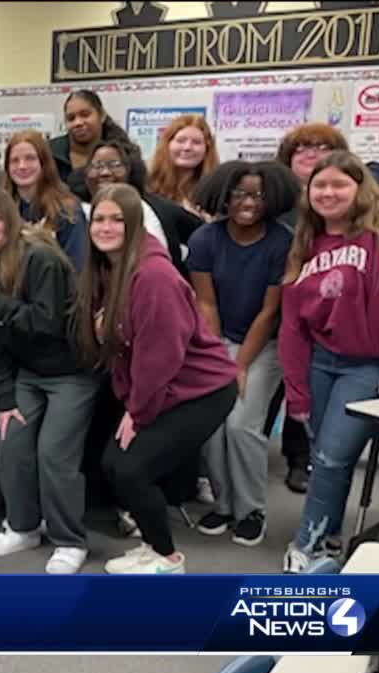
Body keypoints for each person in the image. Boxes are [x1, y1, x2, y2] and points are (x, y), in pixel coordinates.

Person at [75, 184, 238, 574]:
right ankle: (153, 545)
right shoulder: (110, 268)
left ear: (134, 224)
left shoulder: (153, 275)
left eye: (117, 219)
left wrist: (138, 411)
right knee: (115, 464)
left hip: (202, 389)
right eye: (99, 219)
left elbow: (159, 357)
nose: (106, 227)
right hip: (167, 386)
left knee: (131, 468)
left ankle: (167, 559)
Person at [279, 151, 379, 573]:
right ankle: (326, 536)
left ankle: (308, 543)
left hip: (366, 366)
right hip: (321, 362)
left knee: (331, 458)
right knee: (326, 455)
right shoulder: (305, 244)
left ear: (360, 189)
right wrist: (296, 391)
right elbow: (292, 325)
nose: (327, 192)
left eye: (339, 184)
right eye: (319, 185)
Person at [0, 188, 98, 574]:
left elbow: (45, 324)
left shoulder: (40, 257)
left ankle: (70, 540)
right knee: (13, 446)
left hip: (71, 372)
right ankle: (23, 526)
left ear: (10, 219)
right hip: (28, 372)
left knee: (55, 454)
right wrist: (5, 396)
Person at [185, 161, 300, 547]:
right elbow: (206, 304)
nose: (249, 202)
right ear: (223, 195)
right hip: (216, 341)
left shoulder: (282, 241)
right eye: (240, 193)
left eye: (258, 195)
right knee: (213, 425)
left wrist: (240, 366)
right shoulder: (204, 239)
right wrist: (220, 362)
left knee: (241, 425)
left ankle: (252, 509)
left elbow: (270, 313)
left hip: (265, 345)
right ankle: (224, 504)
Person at [267, 123, 347, 494]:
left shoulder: (340, 203)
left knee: (305, 389)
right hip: (269, 308)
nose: (311, 153)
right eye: (302, 148)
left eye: (321, 147)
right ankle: (253, 453)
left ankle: (300, 460)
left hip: (317, 313)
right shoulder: (273, 200)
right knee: (265, 392)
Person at [80, 140, 201, 277]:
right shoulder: (74, 212)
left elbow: (203, 238)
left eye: (115, 165)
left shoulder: (158, 209)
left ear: (131, 170)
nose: (105, 172)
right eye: (97, 165)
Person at [3, 130, 87, 270]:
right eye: (14, 160)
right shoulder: (2, 209)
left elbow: (77, 268)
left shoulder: (68, 211)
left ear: (44, 163)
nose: (22, 166)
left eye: (30, 158)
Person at [49, 90, 136, 201]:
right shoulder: (49, 154)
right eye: (71, 118)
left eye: (85, 115)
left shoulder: (125, 153)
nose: (78, 122)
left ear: (102, 115)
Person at [147, 114, 219, 215]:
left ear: (207, 149)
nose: (187, 147)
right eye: (181, 140)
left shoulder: (216, 191)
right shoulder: (147, 184)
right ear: (167, 144)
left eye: (196, 142)